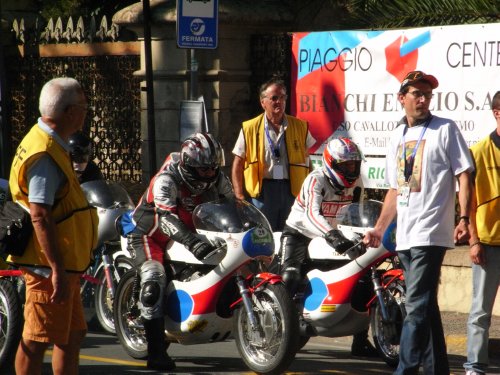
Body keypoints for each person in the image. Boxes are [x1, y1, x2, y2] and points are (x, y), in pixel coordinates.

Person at [364, 70, 474, 374]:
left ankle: (406, 369)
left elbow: (464, 174)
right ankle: (438, 368)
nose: (423, 99)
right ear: (402, 98)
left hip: (431, 233)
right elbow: (394, 190)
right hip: (406, 236)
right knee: (425, 306)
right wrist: (379, 228)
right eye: (417, 93)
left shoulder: (445, 129)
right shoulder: (396, 136)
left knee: (415, 307)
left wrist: (463, 217)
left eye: (427, 94)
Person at [7, 77, 98, 375]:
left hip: (63, 264)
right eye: (84, 107)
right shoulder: (44, 153)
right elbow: (40, 215)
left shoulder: (50, 143)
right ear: (70, 112)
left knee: (72, 336)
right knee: (36, 340)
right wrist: (57, 269)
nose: (86, 113)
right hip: (48, 266)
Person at [126, 132, 233, 371]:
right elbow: (167, 219)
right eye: (204, 169)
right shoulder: (166, 179)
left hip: (189, 234)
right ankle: (155, 352)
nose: (210, 174)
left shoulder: (218, 179)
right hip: (149, 234)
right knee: (154, 281)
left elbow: (232, 207)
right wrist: (194, 244)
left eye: (213, 168)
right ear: (188, 165)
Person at [278, 137, 378, 357]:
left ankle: (360, 341)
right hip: (300, 233)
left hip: (335, 236)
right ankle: (283, 331)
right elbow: (312, 214)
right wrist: (332, 235)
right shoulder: (316, 180)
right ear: (331, 163)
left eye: (354, 164)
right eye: (346, 165)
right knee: (290, 276)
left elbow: (358, 215)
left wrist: (361, 238)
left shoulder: (357, 183)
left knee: (364, 279)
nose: (351, 169)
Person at [231, 77, 315, 231]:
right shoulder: (250, 128)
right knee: (263, 233)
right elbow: (237, 163)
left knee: (290, 232)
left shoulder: (300, 126)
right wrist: (239, 194)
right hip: (262, 192)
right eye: (274, 98)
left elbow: (308, 161)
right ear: (263, 102)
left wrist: (310, 191)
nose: (279, 102)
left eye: (283, 97)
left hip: (292, 190)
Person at [463, 91, 500, 375]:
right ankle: (475, 366)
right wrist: (474, 241)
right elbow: (469, 202)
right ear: (496, 113)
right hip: (488, 244)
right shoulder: (478, 152)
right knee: (480, 312)